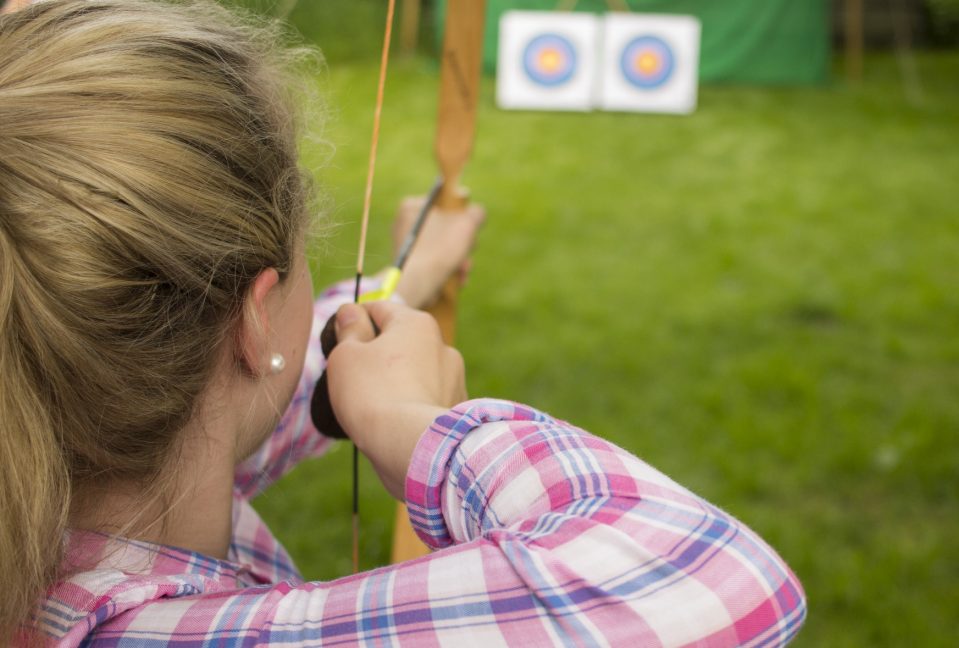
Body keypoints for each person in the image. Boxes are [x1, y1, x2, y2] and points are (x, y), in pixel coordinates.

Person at [0, 1, 806, 645]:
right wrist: (424, 429)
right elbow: (710, 582)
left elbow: (223, 392)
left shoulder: (57, 469)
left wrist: (403, 281)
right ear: (253, 319)